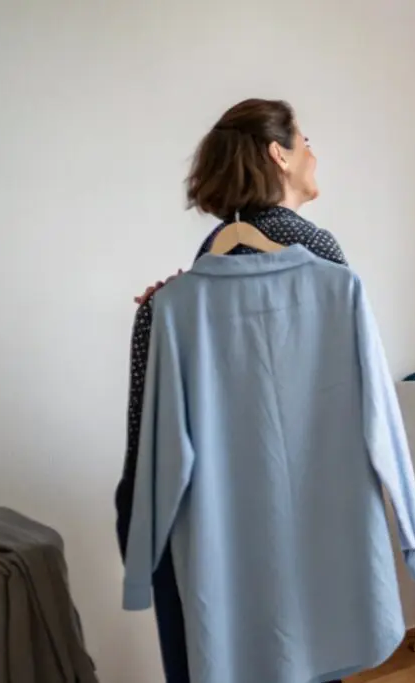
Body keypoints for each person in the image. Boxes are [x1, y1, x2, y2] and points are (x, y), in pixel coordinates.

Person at [115, 98, 348, 683]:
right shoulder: (318, 254)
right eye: (307, 140)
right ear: (279, 153)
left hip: (203, 503)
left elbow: (157, 438)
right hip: (291, 503)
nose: (315, 154)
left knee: (214, 657)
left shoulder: (207, 260)